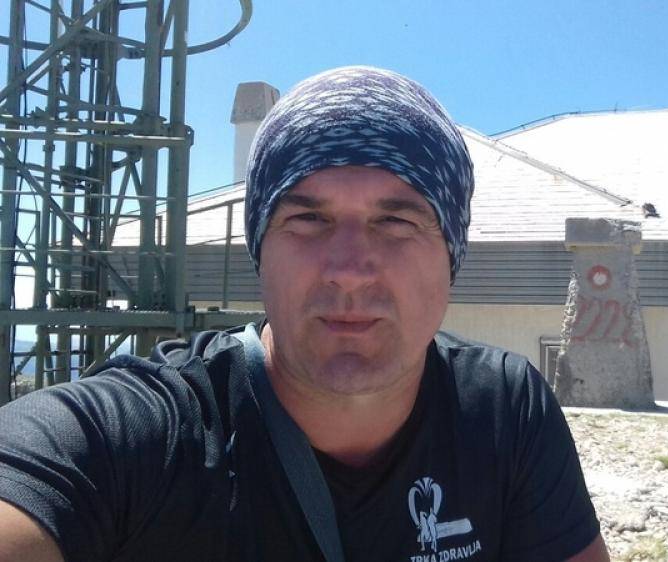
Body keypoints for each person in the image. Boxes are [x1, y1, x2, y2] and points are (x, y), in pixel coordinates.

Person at [0, 66, 609, 561]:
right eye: (307, 218)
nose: (349, 269)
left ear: (451, 253)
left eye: (396, 220)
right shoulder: (137, 437)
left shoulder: (504, 410)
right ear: (260, 251)